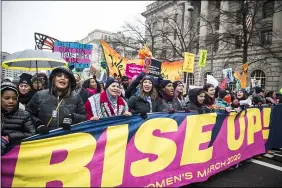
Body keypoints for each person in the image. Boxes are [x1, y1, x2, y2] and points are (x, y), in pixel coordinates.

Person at [26, 66, 87, 134]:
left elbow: (84, 117)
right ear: (53, 79)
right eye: (59, 75)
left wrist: (72, 117)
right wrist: (38, 125)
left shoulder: (76, 97)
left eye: (66, 77)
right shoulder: (39, 95)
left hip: (68, 139)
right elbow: (28, 114)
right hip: (43, 139)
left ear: (69, 81)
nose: (63, 78)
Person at [1, 82, 36, 155]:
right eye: (6, 98)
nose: (11, 101)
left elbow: (32, 134)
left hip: (15, 155)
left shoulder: (24, 114)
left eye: (14, 98)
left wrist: (9, 137)